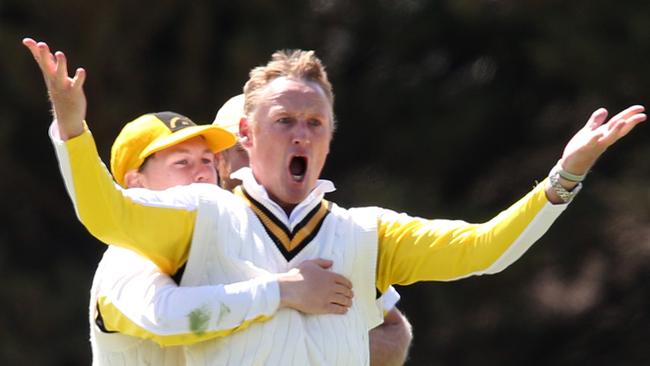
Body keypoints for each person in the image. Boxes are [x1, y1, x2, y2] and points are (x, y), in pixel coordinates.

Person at [26, 38, 645, 365]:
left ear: (330, 137)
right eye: (283, 120)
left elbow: (487, 250)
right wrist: (72, 128)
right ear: (245, 136)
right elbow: (105, 216)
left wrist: (565, 174)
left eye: (315, 123)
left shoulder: (365, 234)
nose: (300, 134)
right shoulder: (202, 215)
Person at [81, 111, 356, 365]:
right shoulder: (126, 257)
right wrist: (284, 291)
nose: (201, 172)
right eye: (182, 162)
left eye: (206, 160)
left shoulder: (227, 244)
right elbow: (166, 318)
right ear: (136, 184)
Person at [212, 93, 413, 365]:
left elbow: (395, 331)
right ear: (217, 159)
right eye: (243, 150)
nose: (260, 161)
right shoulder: (196, 232)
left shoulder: (331, 232)